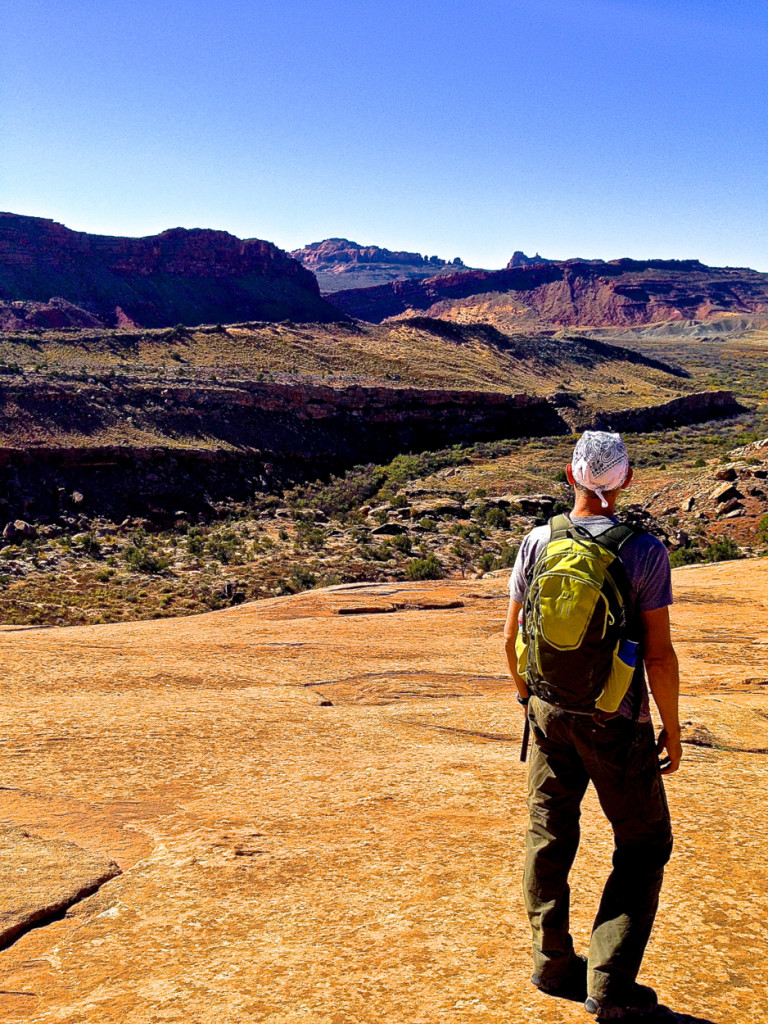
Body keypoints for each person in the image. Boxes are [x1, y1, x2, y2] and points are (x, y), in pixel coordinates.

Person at [503, 430, 682, 1021]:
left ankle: (553, 965)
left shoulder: (537, 540)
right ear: (625, 479)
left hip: (550, 712)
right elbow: (657, 654)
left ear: (571, 475)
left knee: (548, 835)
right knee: (643, 843)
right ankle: (608, 986)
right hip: (616, 720)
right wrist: (672, 729)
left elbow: (510, 637)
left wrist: (533, 699)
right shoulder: (645, 551)